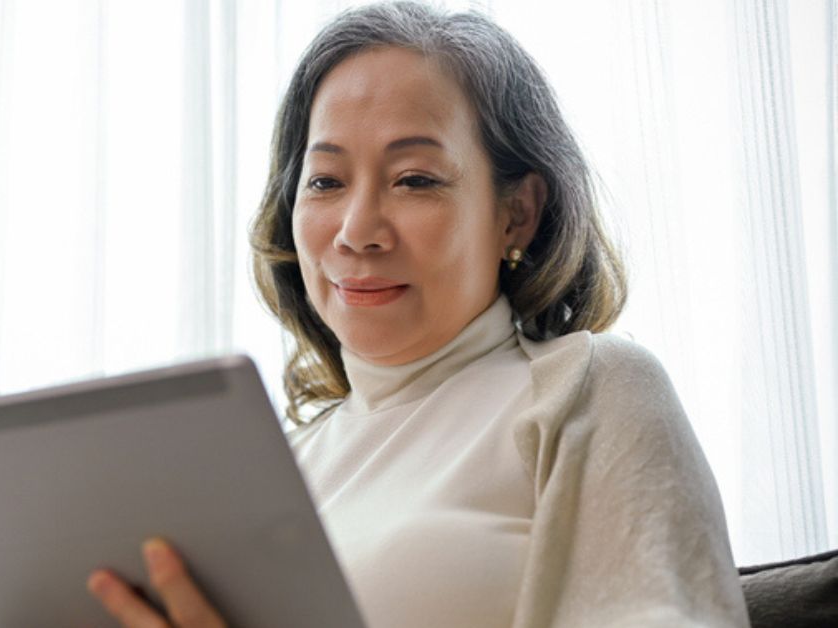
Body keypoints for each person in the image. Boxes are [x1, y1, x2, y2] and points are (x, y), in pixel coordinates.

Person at [85, 2, 751, 626]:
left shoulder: (591, 388)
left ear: (516, 213)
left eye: (415, 180)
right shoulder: (277, 469)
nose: (357, 230)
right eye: (325, 181)